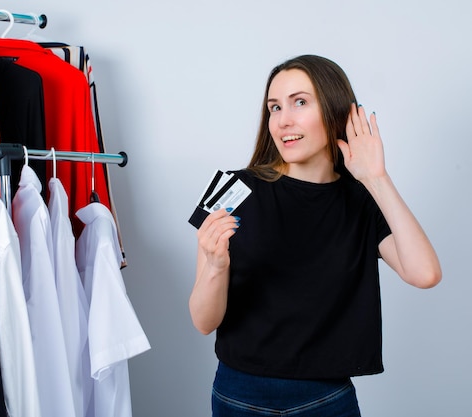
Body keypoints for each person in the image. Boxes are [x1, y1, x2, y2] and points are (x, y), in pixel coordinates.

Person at [189, 54, 441, 417]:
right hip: (237, 396)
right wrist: (215, 265)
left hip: (326, 400)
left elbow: (425, 274)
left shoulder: (362, 201)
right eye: (274, 107)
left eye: (300, 102)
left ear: (336, 111)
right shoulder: (232, 189)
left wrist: (376, 178)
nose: (283, 120)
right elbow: (202, 322)